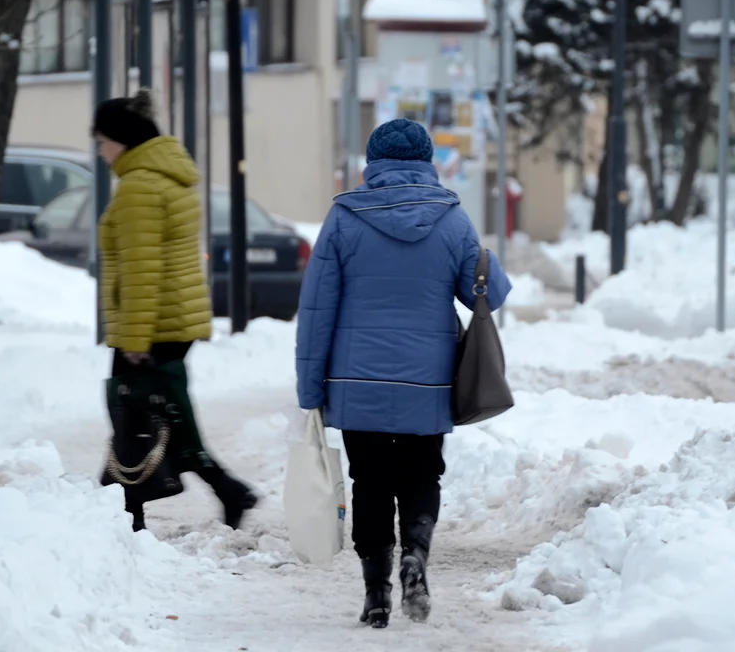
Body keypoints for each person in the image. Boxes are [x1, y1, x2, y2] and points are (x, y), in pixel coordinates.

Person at [295, 119, 511, 629]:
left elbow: (316, 309)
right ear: (427, 162)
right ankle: (416, 552)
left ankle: (376, 591)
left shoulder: (344, 217)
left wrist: (311, 390)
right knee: (420, 474)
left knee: (368, 480)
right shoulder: (452, 220)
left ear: (372, 164)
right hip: (428, 381)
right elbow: (492, 294)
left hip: (357, 380)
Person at [93, 87, 257, 533]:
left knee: (133, 416)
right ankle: (224, 487)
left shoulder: (139, 189)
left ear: (122, 139)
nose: (101, 150)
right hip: (172, 318)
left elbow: (141, 270)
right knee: (163, 412)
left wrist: (132, 341)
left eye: (103, 140)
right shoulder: (167, 176)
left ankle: (127, 517)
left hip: (152, 323)